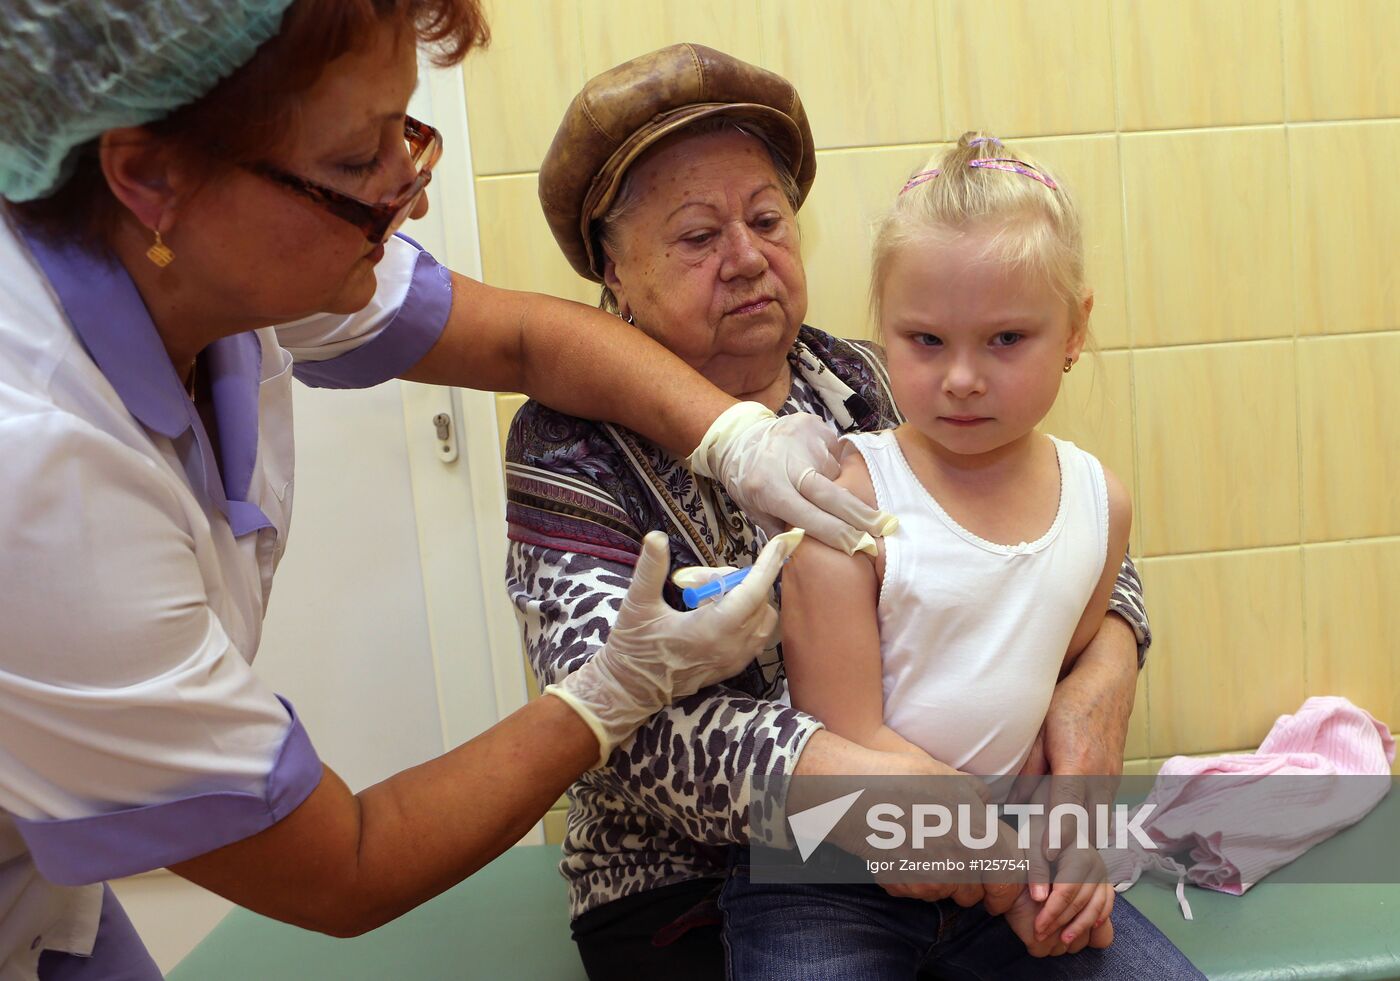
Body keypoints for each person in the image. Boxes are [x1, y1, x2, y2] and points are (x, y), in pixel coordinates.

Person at [0, 4, 892, 978]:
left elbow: (1025, 534)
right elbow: (345, 865)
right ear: (149, 177)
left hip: (891, 827)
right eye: (354, 161)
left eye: (766, 219)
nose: (408, 198)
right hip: (712, 883)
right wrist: (949, 826)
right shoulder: (40, 471)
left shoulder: (861, 379)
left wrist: (1090, 662)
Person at [507, 44, 1161, 980]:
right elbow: (622, 729)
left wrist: (1100, 682)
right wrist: (924, 814)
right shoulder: (567, 445)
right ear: (612, 270)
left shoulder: (872, 376)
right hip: (691, 883)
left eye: (768, 219)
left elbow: (1069, 553)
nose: (746, 259)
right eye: (697, 237)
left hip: (981, 841)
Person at [720, 133, 1206, 979]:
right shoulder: (846, 494)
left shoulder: (1100, 506)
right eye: (926, 341)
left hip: (1004, 861)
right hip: (831, 874)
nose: (963, 379)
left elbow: (1059, 689)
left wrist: (1072, 852)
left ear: (1076, 328)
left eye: (1007, 338)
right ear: (884, 331)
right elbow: (848, 740)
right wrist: (1013, 876)